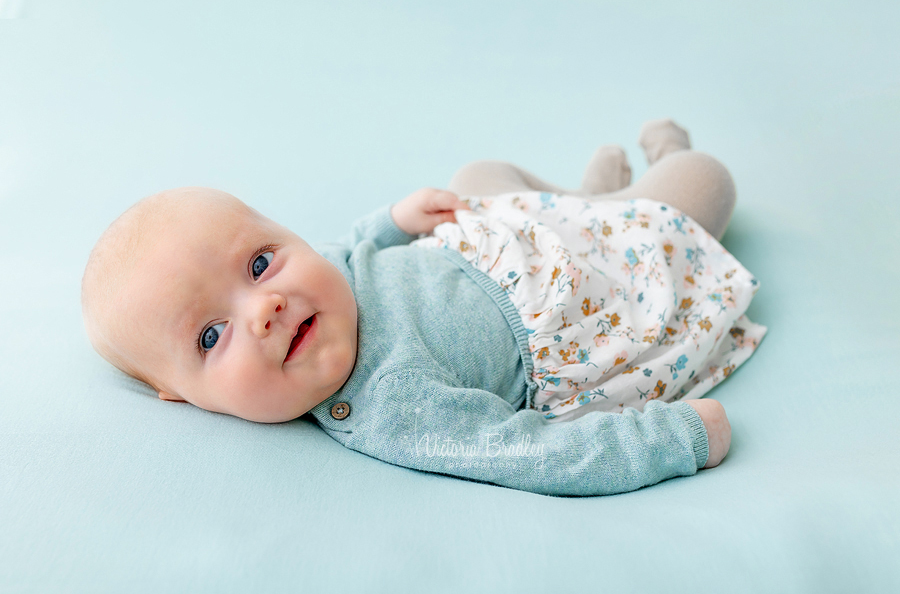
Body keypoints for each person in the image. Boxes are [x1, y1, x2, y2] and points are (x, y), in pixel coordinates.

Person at [81, 119, 764, 496]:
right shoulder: (390, 405)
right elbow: (531, 454)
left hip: (499, 240)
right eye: (210, 337)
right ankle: (648, 176)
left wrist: (395, 218)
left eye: (260, 262)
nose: (266, 307)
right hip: (592, 297)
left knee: (474, 177)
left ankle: (588, 197)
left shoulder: (317, 284)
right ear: (182, 397)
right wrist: (676, 441)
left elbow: (341, 249)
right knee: (702, 186)